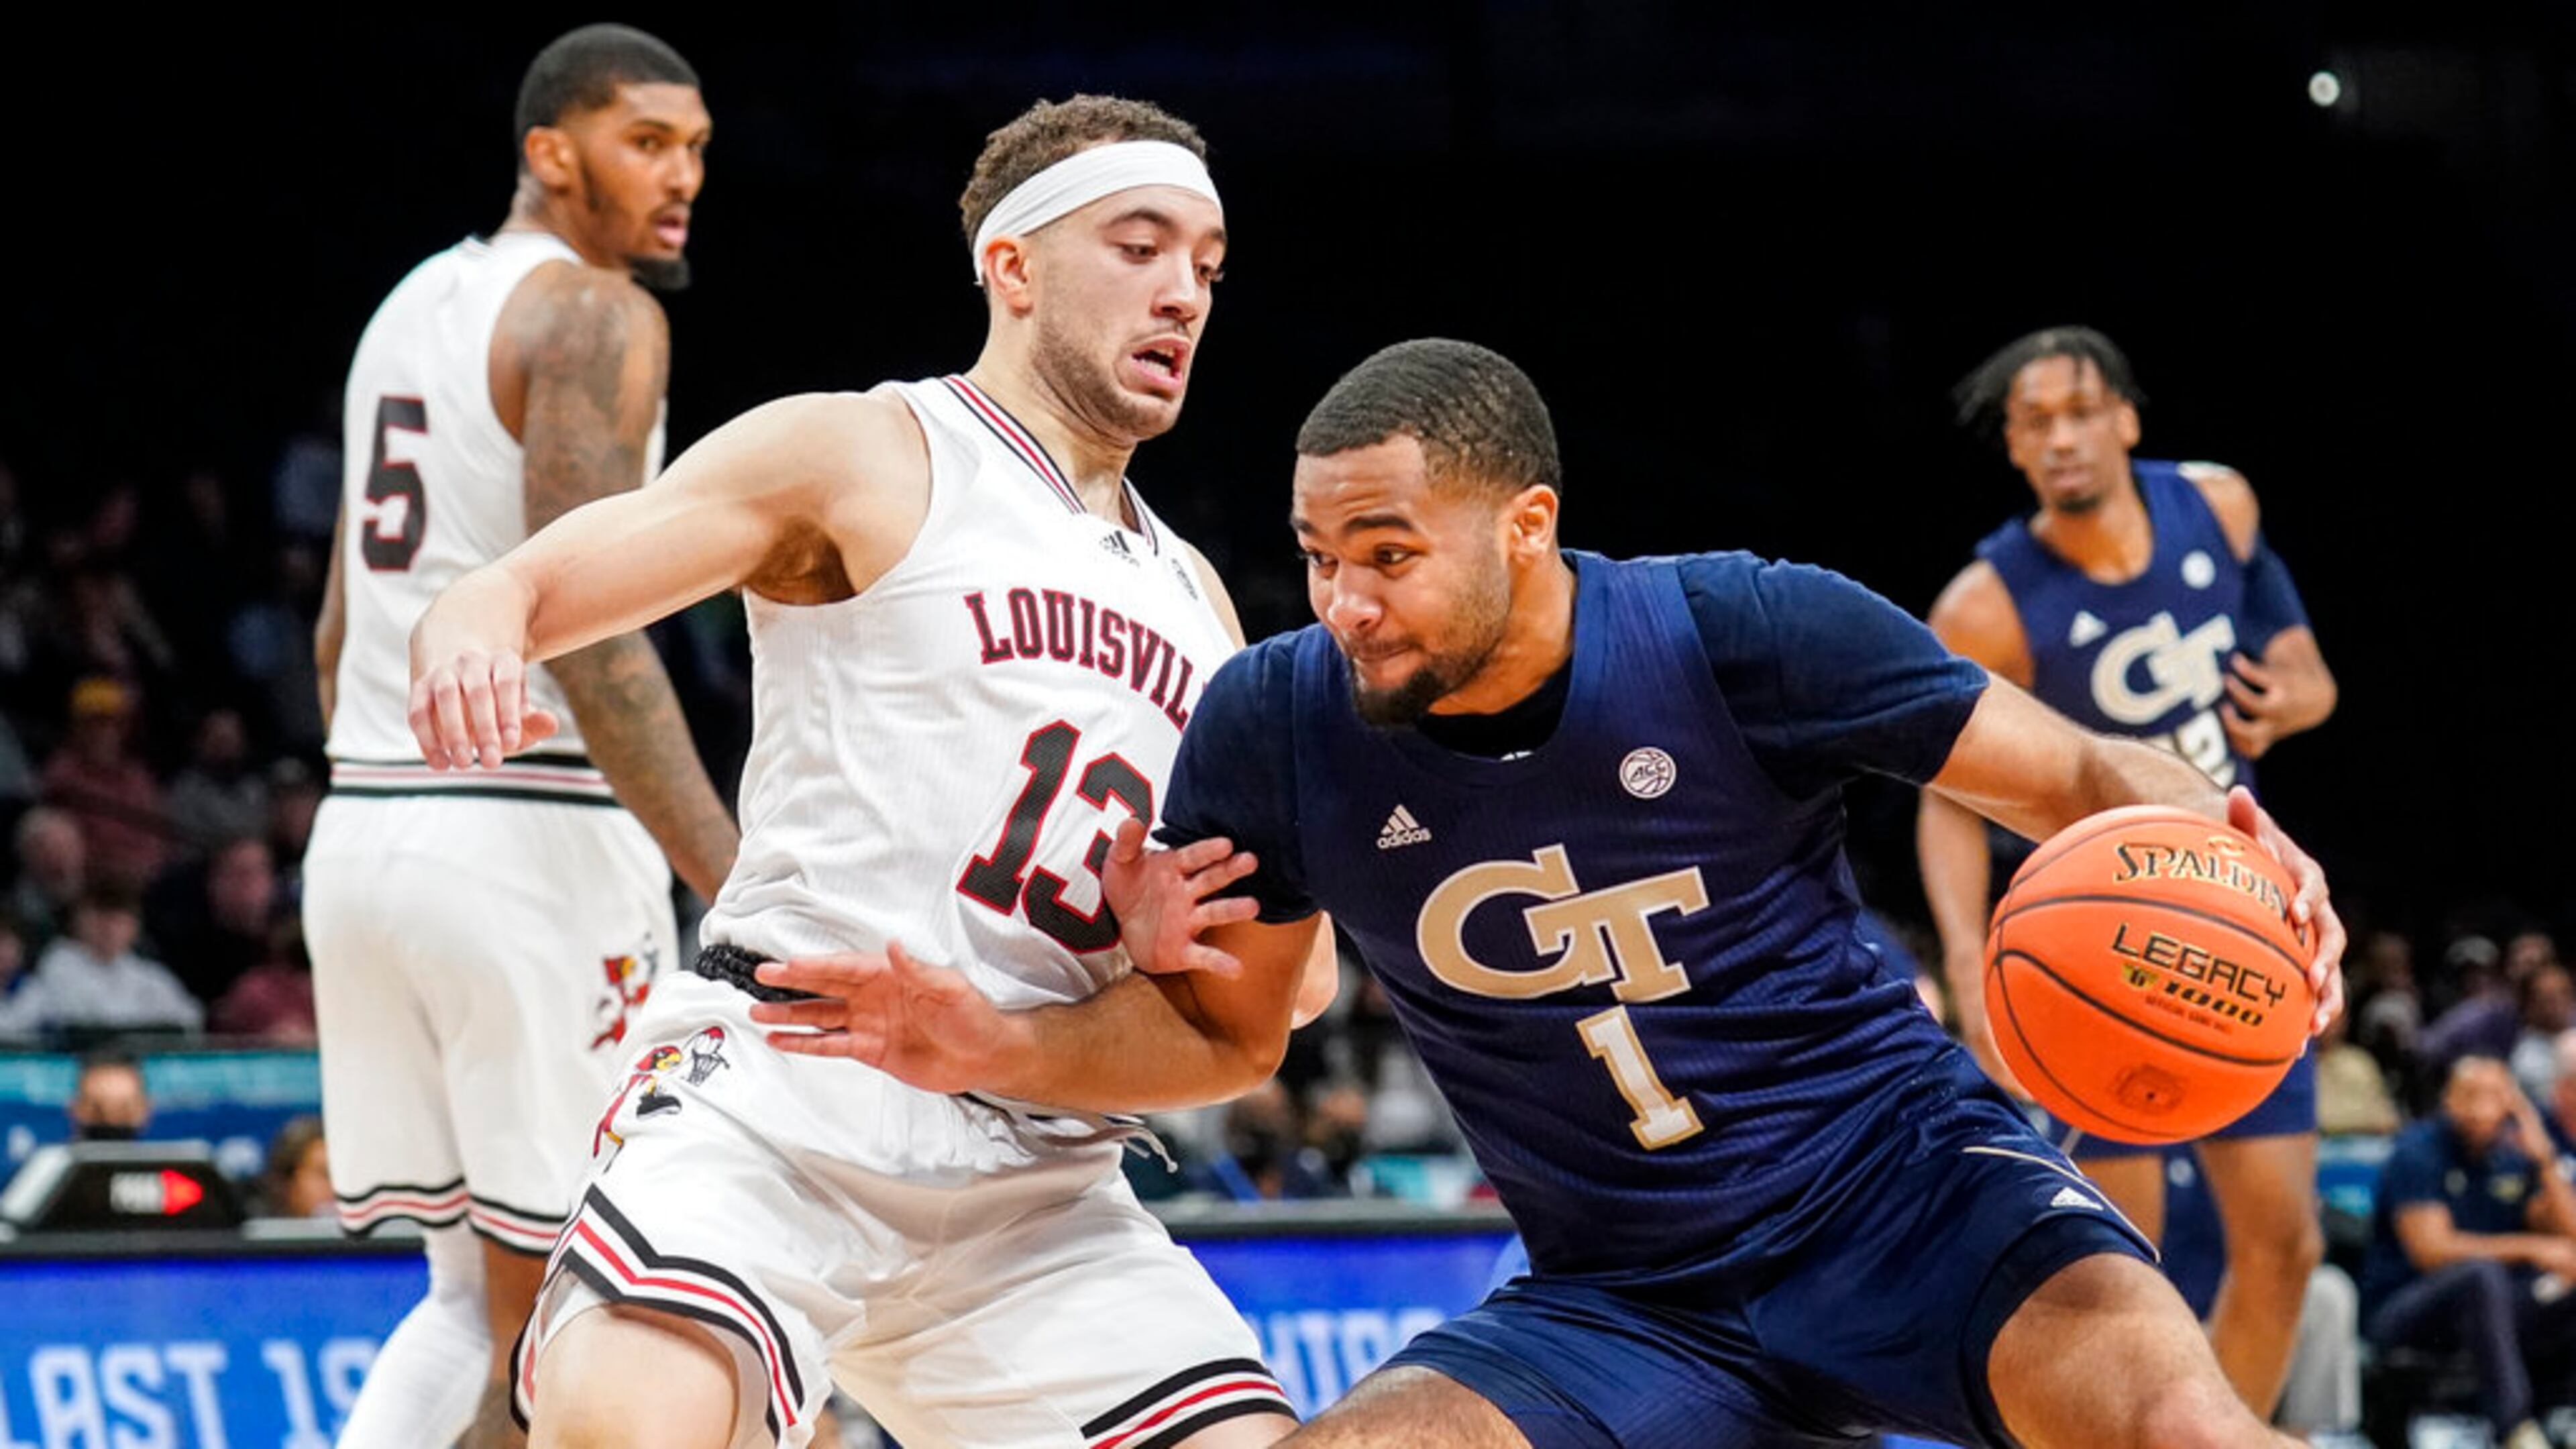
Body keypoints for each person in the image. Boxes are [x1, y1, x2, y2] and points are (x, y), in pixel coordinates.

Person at [753, 338, 2350, 1448]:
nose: (1341, 601)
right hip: (1624, 1297)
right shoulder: (1275, 719)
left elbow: (2076, 777)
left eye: (1386, 552)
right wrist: (993, 1040)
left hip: (1916, 1203)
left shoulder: (1748, 632)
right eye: (1316, 555)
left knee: (2182, 1420)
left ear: (1526, 527)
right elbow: (1227, 1037)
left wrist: (2238, 841)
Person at [409, 95, 1333, 1449]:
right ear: (1011, 268)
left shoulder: (1197, 595)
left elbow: (1293, 990)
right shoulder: (871, 452)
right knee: (623, 1422)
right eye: (1139, 246)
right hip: (790, 1092)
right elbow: (527, 586)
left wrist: (1178, 950)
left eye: (1205, 263)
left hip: (1041, 1172)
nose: (1182, 292)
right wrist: (475, 623)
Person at [301, 25, 735, 1449]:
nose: (680, 178)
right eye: (644, 143)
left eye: (695, 149)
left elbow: (337, 625)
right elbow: (593, 629)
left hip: (366, 828)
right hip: (527, 837)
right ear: (551, 152)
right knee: (586, 1309)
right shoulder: (599, 316)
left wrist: (395, 815)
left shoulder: (407, 305)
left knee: (465, 1306)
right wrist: (736, 886)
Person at [1917, 325, 2339, 1418]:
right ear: (2013, 447)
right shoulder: (1988, 603)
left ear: (2126, 419)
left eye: (2079, 412)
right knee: (2123, 1277)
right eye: (2034, 422)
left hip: (2240, 909)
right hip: (2098, 943)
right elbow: (1942, 797)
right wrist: (1969, 961)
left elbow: (2301, 663)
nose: (2061, 438)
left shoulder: (2222, 506)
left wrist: (2301, 691)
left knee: (2285, 1246)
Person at [2358, 1057, 2576, 1449]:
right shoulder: (2417, 1151)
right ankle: (2516, 1431)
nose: (2480, 1109)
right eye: (2470, 1095)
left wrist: (2543, 1157)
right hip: (2404, 1308)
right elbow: (2432, 1251)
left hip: (2491, 1314)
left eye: (2494, 1097)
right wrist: (2533, 1248)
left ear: (2511, 1104)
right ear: (2448, 1100)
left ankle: (2564, 1417)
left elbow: (2570, 1236)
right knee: (2481, 1274)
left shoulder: (2511, 1156)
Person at [66, 1046, 153, 1141]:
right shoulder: (52, 1155)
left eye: (124, 1111)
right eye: (98, 1111)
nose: (112, 1121)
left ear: (145, 1109)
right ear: (75, 1109)